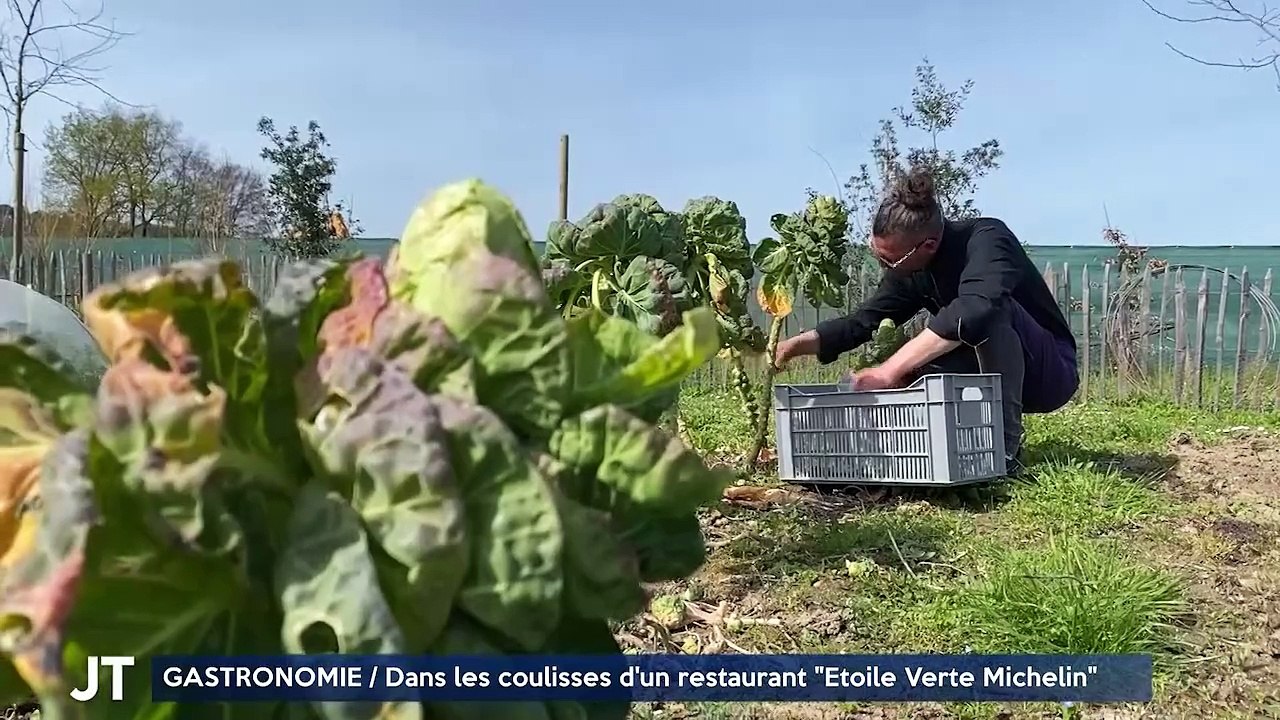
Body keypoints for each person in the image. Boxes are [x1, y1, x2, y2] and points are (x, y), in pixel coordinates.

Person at [773, 165, 1078, 470]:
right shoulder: (911, 270)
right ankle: (951, 449)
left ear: (928, 245)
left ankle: (1004, 451)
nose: (884, 266)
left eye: (889, 259)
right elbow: (862, 322)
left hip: (1049, 373)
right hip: (979, 364)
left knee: (990, 312)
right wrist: (792, 347)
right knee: (912, 367)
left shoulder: (987, 240)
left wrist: (888, 370)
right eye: (877, 255)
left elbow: (973, 311)